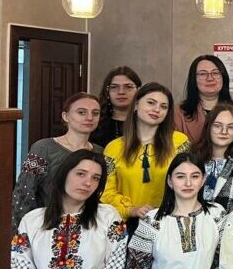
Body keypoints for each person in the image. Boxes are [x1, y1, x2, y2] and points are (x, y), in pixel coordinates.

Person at [101, 82, 190, 232]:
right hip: (127, 225)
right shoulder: (114, 148)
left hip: (170, 223)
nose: (157, 109)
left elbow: (189, 183)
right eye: (151, 103)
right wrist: (131, 209)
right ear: (136, 105)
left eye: (163, 106)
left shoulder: (179, 142)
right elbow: (106, 193)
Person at [13, 92, 104, 231]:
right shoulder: (44, 148)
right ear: (65, 116)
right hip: (46, 225)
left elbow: (100, 194)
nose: (89, 117)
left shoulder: (100, 152)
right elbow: (24, 193)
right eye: (82, 112)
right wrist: (22, 231)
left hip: (87, 227)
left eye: (95, 113)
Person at [191, 102, 233, 214]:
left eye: (230, 127)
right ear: (208, 128)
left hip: (231, 223)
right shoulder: (192, 158)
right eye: (217, 126)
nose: (224, 131)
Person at [173, 54, 233, 142]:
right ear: (193, 79)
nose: (210, 78)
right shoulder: (178, 114)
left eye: (215, 73)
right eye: (203, 74)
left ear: (223, 77)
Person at [91, 66, 142, 148]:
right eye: (114, 87)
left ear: (138, 90)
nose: (121, 92)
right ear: (107, 91)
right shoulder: (94, 123)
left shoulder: (147, 123)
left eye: (128, 87)